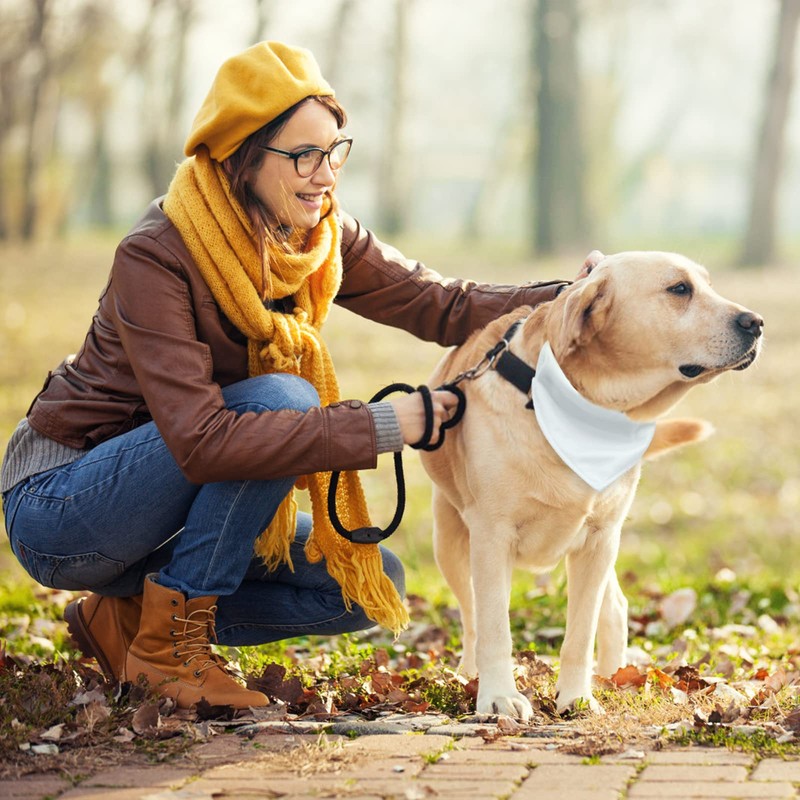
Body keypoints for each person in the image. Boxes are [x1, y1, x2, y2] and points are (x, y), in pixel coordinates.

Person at [0, 41, 596, 710]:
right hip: (62, 507)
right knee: (283, 397)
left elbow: (441, 303)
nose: (325, 175)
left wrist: (571, 296)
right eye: (303, 155)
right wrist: (378, 427)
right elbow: (203, 440)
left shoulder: (316, 237)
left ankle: (131, 621)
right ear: (242, 156)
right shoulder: (159, 253)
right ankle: (173, 654)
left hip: (172, 504)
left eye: (335, 150)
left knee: (370, 583)